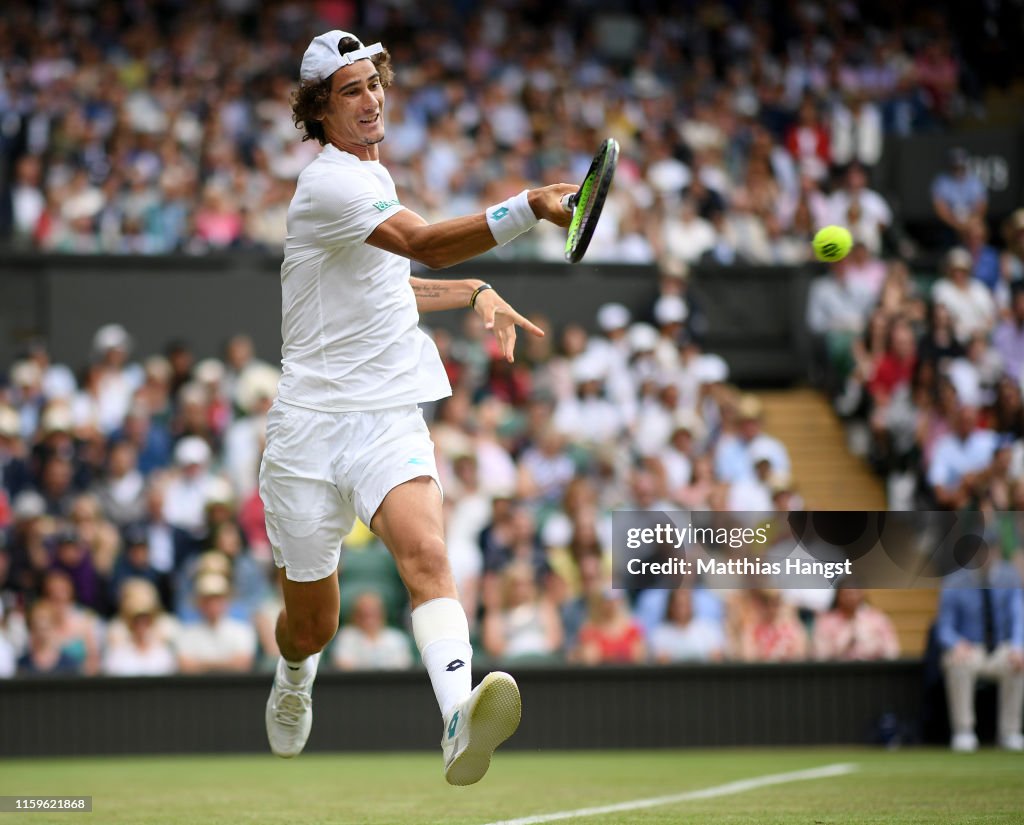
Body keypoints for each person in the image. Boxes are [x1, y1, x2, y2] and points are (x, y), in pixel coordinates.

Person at [260, 30, 576, 786]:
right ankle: (295, 675)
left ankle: (457, 716)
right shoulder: (330, 183)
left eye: (374, 84)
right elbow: (428, 246)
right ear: (318, 110)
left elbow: (387, 287)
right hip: (307, 429)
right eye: (349, 91)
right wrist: (529, 207)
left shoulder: (374, 175)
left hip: (387, 416)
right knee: (314, 624)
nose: (370, 100)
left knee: (428, 556)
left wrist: (471, 291)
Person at [936, 555, 1024, 752]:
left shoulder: (1010, 578)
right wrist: (956, 643)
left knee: (1018, 663)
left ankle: (1010, 732)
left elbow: (1018, 617)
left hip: (1001, 647)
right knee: (957, 662)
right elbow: (943, 628)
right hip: (970, 648)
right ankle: (963, 731)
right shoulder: (954, 581)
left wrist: (1018, 647)